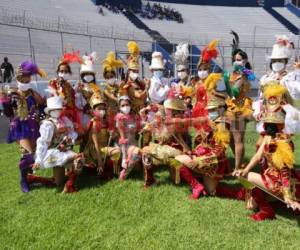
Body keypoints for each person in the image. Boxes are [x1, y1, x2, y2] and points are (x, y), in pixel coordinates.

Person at [234, 84, 300, 221]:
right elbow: (258, 156)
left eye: (272, 124)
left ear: (281, 124)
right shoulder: (269, 136)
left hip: (281, 183)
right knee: (250, 204)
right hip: (270, 177)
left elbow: (285, 171)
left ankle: (267, 211)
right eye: (267, 123)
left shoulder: (283, 142)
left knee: (248, 178)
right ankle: (274, 201)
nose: (268, 126)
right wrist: (244, 169)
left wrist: (287, 195)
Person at [0, 61, 52, 192]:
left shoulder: (33, 94)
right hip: (19, 128)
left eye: (28, 77)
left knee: (34, 153)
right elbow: (8, 113)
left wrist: (41, 117)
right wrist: (4, 102)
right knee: (27, 154)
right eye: (23, 78)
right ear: (17, 78)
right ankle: (23, 180)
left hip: (33, 126)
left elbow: (43, 107)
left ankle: (29, 176)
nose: (26, 80)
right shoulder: (12, 94)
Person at [33, 96, 84, 193]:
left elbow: (72, 135)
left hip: (63, 151)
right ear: (50, 111)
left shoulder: (65, 121)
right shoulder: (47, 124)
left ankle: (69, 186)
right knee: (78, 159)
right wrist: (39, 159)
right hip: (52, 153)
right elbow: (42, 142)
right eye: (55, 110)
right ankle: (69, 187)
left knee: (78, 159)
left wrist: (70, 139)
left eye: (59, 109)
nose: (58, 111)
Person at [224, 31, 254, 171]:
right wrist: (236, 43)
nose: (236, 61)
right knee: (230, 138)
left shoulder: (246, 75)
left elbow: (235, 90)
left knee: (238, 139)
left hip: (240, 109)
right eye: (235, 59)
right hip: (230, 108)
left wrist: (242, 71)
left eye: (239, 59)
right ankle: (239, 162)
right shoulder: (234, 74)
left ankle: (237, 169)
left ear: (245, 61)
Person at [83, 93, 120, 178]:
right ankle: (108, 170)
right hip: (95, 150)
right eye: (99, 109)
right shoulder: (94, 123)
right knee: (117, 151)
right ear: (94, 110)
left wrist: (114, 134)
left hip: (104, 146)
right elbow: (95, 144)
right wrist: (99, 161)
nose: (102, 111)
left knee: (117, 150)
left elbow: (111, 136)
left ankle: (113, 171)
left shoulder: (106, 121)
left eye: (103, 109)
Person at [48, 50, 83, 134]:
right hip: (60, 113)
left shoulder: (68, 84)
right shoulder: (53, 82)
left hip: (71, 112)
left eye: (66, 71)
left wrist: (76, 88)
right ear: (58, 72)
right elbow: (52, 95)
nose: (63, 73)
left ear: (69, 72)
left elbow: (72, 95)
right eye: (61, 71)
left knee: (72, 133)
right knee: (64, 132)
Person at [116, 95, 142, 181]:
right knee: (136, 154)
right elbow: (122, 139)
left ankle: (132, 166)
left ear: (130, 105)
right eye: (123, 105)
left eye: (127, 105)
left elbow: (139, 129)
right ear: (119, 107)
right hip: (124, 146)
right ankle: (124, 173)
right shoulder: (120, 118)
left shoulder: (134, 116)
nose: (125, 107)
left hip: (133, 142)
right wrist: (124, 157)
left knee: (140, 153)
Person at [119, 41, 149, 114]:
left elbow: (145, 97)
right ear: (129, 71)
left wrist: (145, 84)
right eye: (133, 71)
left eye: (136, 71)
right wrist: (147, 88)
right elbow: (139, 96)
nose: (135, 73)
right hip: (136, 111)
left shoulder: (138, 82)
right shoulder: (128, 84)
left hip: (143, 109)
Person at [102, 51, 124, 117]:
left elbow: (121, 94)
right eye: (108, 77)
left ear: (114, 76)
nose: (110, 78)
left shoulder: (117, 86)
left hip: (118, 111)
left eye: (111, 76)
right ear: (105, 78)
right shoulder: (105, 88)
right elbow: (112, 97)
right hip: (110, 112)